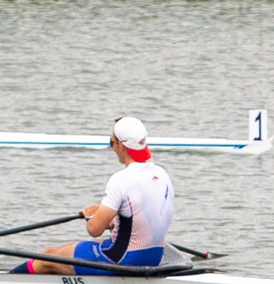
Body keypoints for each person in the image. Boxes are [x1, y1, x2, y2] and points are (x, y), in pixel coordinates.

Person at [23, 117, 175, 275]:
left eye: (111, 142)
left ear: (121, 145)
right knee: (60, 252)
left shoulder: (122, 179)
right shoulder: (162, 174)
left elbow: (94, 229)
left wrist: (93, 216)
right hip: (154, 258)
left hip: (121, 259)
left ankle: (10, 280)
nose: (112, 147)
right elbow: (140, 219)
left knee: (47, 258)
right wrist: (110, 216)